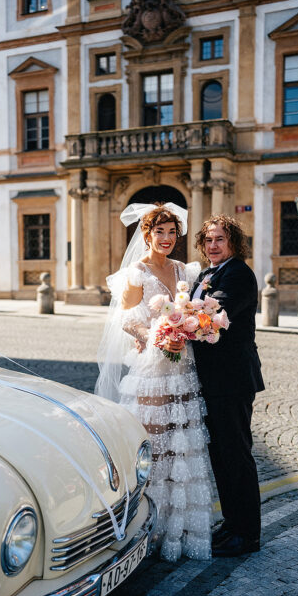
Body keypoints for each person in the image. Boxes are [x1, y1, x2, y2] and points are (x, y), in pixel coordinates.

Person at [95, 203, 213, 562]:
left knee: (183, 446)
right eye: (159, 231)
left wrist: (193, 326)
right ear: (146, 235)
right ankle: (149, 527)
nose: (166, 238)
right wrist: (155, 334)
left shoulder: (183, 269)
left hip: (183, 366)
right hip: (153, 369)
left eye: (172, 232)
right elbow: (127, 320)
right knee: (155, 444)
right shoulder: (137, 271)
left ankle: (179, 529)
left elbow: (192, 309)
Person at [191, 214, 265, 557]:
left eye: (220, 239)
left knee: (236, 454)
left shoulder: (238, 274)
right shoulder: (207, 273)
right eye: (208, 240)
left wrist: (174, 320)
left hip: (232, 379)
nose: (213, 245)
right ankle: (231, 522)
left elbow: (211, 314)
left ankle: (247, 534)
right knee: (220, 454)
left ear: (233, 241)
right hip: (212, 380)